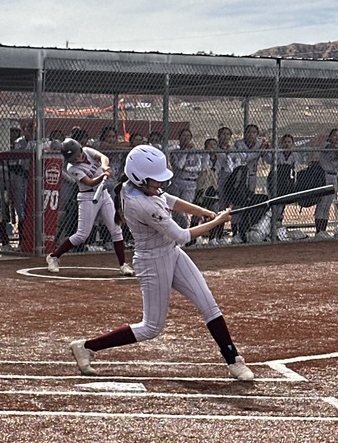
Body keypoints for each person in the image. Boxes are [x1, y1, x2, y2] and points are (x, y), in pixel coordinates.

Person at [68, 144, 254, 382]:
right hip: (152, 261)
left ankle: (233, 360)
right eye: (155, 180)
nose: (160, 184)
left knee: (209, 304)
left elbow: (172, 200)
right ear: (139, 178)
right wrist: (217, 221)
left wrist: (205, 212)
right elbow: (183, 236)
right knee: (151, 328)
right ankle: (86, 346)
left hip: (170, 252)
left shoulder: (135, 187)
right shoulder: (142, 204)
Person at [46, 138, 134, 276]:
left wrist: (104, 167)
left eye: (77, 155)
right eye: (73, 158)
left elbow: (102, 157)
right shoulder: (72, 168)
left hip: (103, 194)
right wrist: (102, 176)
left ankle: (123, 264)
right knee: (82, 235)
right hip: (87, 197)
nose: (77, 159)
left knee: (116, 230)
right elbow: (90, 182)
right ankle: (54, 257)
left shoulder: (87, 151)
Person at [169, 127, 204, 228]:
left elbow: (199, 167)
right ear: (179, 138)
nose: (186, 138)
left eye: (188, 136)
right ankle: (175, 231)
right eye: (183, 136)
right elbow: (179, 165)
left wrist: (187, 168)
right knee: (175, 209)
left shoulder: (196, 151)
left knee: (184, 209)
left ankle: (183, 230)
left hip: (190, 183)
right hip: (177, 181)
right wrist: (186, 152)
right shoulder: (175, 151)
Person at [314, 127, 338, 239]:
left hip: (334, 176)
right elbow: (330, 148)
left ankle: (324, 229)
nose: (336, 137)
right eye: (334, 135)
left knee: (328, 204)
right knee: (322, 203)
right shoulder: (325, 145)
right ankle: (319, 230)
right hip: (324, 175)